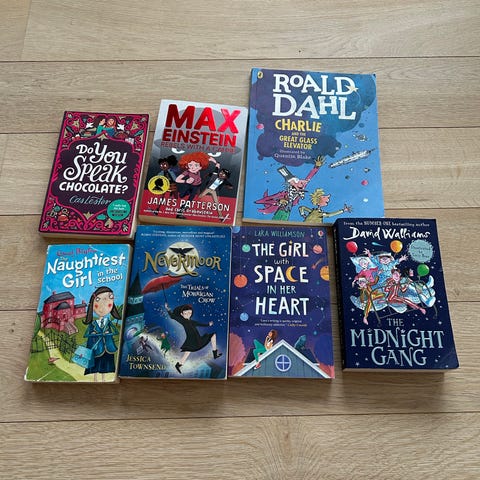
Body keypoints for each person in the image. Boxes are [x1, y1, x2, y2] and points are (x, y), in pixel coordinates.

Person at [165, 303, 222, 374]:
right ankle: (178, 365)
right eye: (185, 313)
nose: (188, 314)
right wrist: (168, 309)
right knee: (187, 353)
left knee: (213, 335)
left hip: (198, 339)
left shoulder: (192, 322)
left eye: (189, 313)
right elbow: (172, 316)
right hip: (191, 341)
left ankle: (215, 354)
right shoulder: (182, 321)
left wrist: (208, 324)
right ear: (182, 314)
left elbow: (200, 324)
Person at [83, 286, 120, 382]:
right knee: (96, 363)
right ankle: (95, 378)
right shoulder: (93, 324)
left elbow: (115, 332)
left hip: (107, 347)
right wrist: (93, 334)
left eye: (108, 305)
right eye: (98, 304)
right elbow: (88, 336)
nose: (102, 308)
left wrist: (108, 333)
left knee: (105, 363)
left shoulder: (108, 322)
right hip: (97, 348)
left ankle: (104, 379)